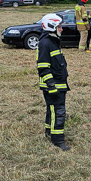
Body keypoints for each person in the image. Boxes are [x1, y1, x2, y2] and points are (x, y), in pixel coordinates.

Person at [35, 14, 71, 151]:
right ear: (52, 27)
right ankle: (58, 139)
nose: (61, 29)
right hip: (53, 85)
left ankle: (49, 132)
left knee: (52, 110)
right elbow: (43, 67)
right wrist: (51, 85)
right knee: (58, 111)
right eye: (59, 27)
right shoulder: (46, 43)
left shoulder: (53, 41)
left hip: (58, 84)